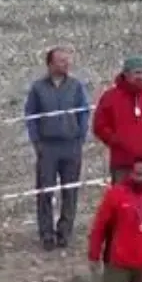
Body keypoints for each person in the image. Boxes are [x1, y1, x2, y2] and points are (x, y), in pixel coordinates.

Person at [24, 46, 90, 250]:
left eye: (67, 60)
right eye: (61, 61)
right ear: (50, 64)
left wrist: (80, 136)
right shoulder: (38, 88)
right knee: (45, 191)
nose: (66, 64)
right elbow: (31, 115)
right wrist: (37, 143)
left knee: (70, 191)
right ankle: (46, 234)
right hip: (48, 147)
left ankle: (65, 232)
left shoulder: (76, 86)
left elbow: (84, 112)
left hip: (71, 145)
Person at [93, 56, 142, 182]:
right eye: (137, 73)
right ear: (126, 74)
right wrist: (117, 141)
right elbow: (100, 125)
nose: (141, 77)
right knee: (122, 199)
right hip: (123, 162)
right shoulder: (111, 97)